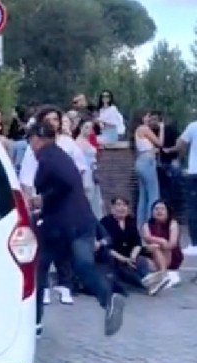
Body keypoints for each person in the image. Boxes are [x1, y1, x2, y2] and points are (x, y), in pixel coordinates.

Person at [27, 121, 125, 337]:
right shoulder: (62, 157)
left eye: (30, 141)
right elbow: (72, 185)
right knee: (83, 265)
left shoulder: (47, 159)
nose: (31, 147)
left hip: (58, 226)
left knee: (39, 270)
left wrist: (42, 199)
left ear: (37, 139)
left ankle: (33, 323)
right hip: (83, 222)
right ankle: (108, 298)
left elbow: (64, 186)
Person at [20, 106, 88, 306]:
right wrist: (31, 198)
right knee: (44, 246)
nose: (52, 123)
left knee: (63, 245)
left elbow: (79, 171)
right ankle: (44, 287)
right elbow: (27, 175)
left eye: (55, 119)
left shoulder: (67, 144)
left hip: (64, 204)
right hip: (43, 201)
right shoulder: (34, 146)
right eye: (48, 119)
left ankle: (65, 284)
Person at [99, 197, 169, 295]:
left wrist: (133, 256)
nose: (121, 208)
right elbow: (106, 248)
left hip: (130, 254)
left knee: (140, 260)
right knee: (125, 269)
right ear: (112, 208)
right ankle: (147, 284)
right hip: (114, 257)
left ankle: (152, 279)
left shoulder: (130, 221)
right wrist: (124, 259)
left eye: (124, 205)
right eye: (118, 205)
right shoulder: (105, 222)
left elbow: (137, 242)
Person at [163, 119, 197, 256]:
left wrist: (174, 153)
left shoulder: (194, 126)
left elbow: (180, 144)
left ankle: (195, 244)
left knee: (194, 208)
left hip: (195, 173)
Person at [141, 200, 184, 287]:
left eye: (162, 209)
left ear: (167, 212)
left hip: (171, 256)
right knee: (152, 248)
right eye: (156, 209)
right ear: (152, 212)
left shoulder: (173, 223)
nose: (159, 211)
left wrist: (164, 244)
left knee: (159, 247)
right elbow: (147, 238)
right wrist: (161, 241)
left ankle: (163, 274)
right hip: (153, 256)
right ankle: (161, 274)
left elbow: (172, 244)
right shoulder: (146, 225)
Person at [133, 110, 164, 229]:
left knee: (143, 196)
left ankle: (141, 226)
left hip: (141, 161)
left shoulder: (137, 130)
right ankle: (152, 225)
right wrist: (161, 128)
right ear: (142, 118)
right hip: (148, 163)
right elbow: (159, 143)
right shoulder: (144, 128)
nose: (149, 118)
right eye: (147, 116)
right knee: (153, 194)